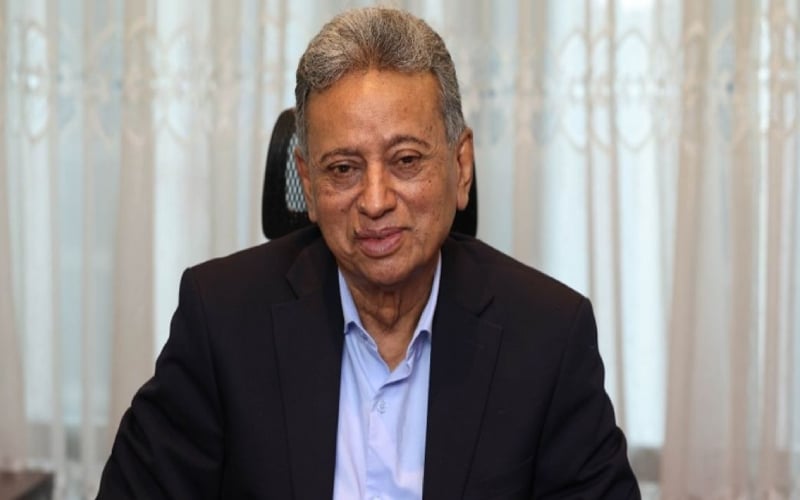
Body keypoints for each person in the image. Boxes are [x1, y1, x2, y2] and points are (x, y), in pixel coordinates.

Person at [97, 6, 640, 499]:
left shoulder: (548, 336)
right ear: (307, 184)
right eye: (343, 169)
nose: (375, 201)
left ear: (461, 167)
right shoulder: (221, 320)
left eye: (406, 161)